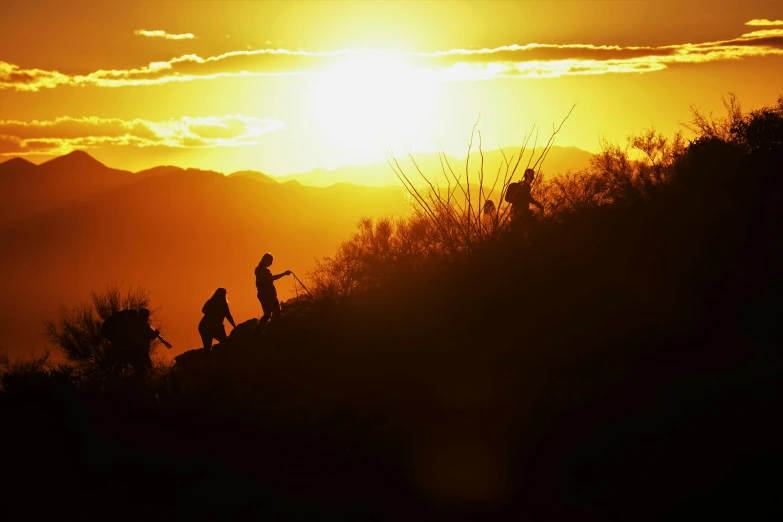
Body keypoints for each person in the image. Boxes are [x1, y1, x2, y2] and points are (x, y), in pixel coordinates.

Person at [100, 308, 159, 377]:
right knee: (145, 368)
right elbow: (148, 334)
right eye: (146, 316)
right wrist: (155, 333)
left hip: (128, 349)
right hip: (137, 351)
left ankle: (113, 379)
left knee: (119, 366)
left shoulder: (134, 322)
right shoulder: (141, 324)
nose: (147, 318)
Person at [254, 253, 291, 329]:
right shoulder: (261, 270)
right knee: (274, 313)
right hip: (267, 295)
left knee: (268, 314)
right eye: (270, 261)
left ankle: (258, 330)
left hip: (265, 294)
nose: (271, 263)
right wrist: (284, 274)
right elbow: (271, 278)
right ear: (266, 260)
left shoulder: (260, 270)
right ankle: (269, 329)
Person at [198, 287, 236, 352]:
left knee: (224, 344)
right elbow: (203, 310)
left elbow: (228, 316)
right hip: (207, 327)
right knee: (208, 347)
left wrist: (234, 326)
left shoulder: (221, 304)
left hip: (213, 327)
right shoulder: (213, 302)